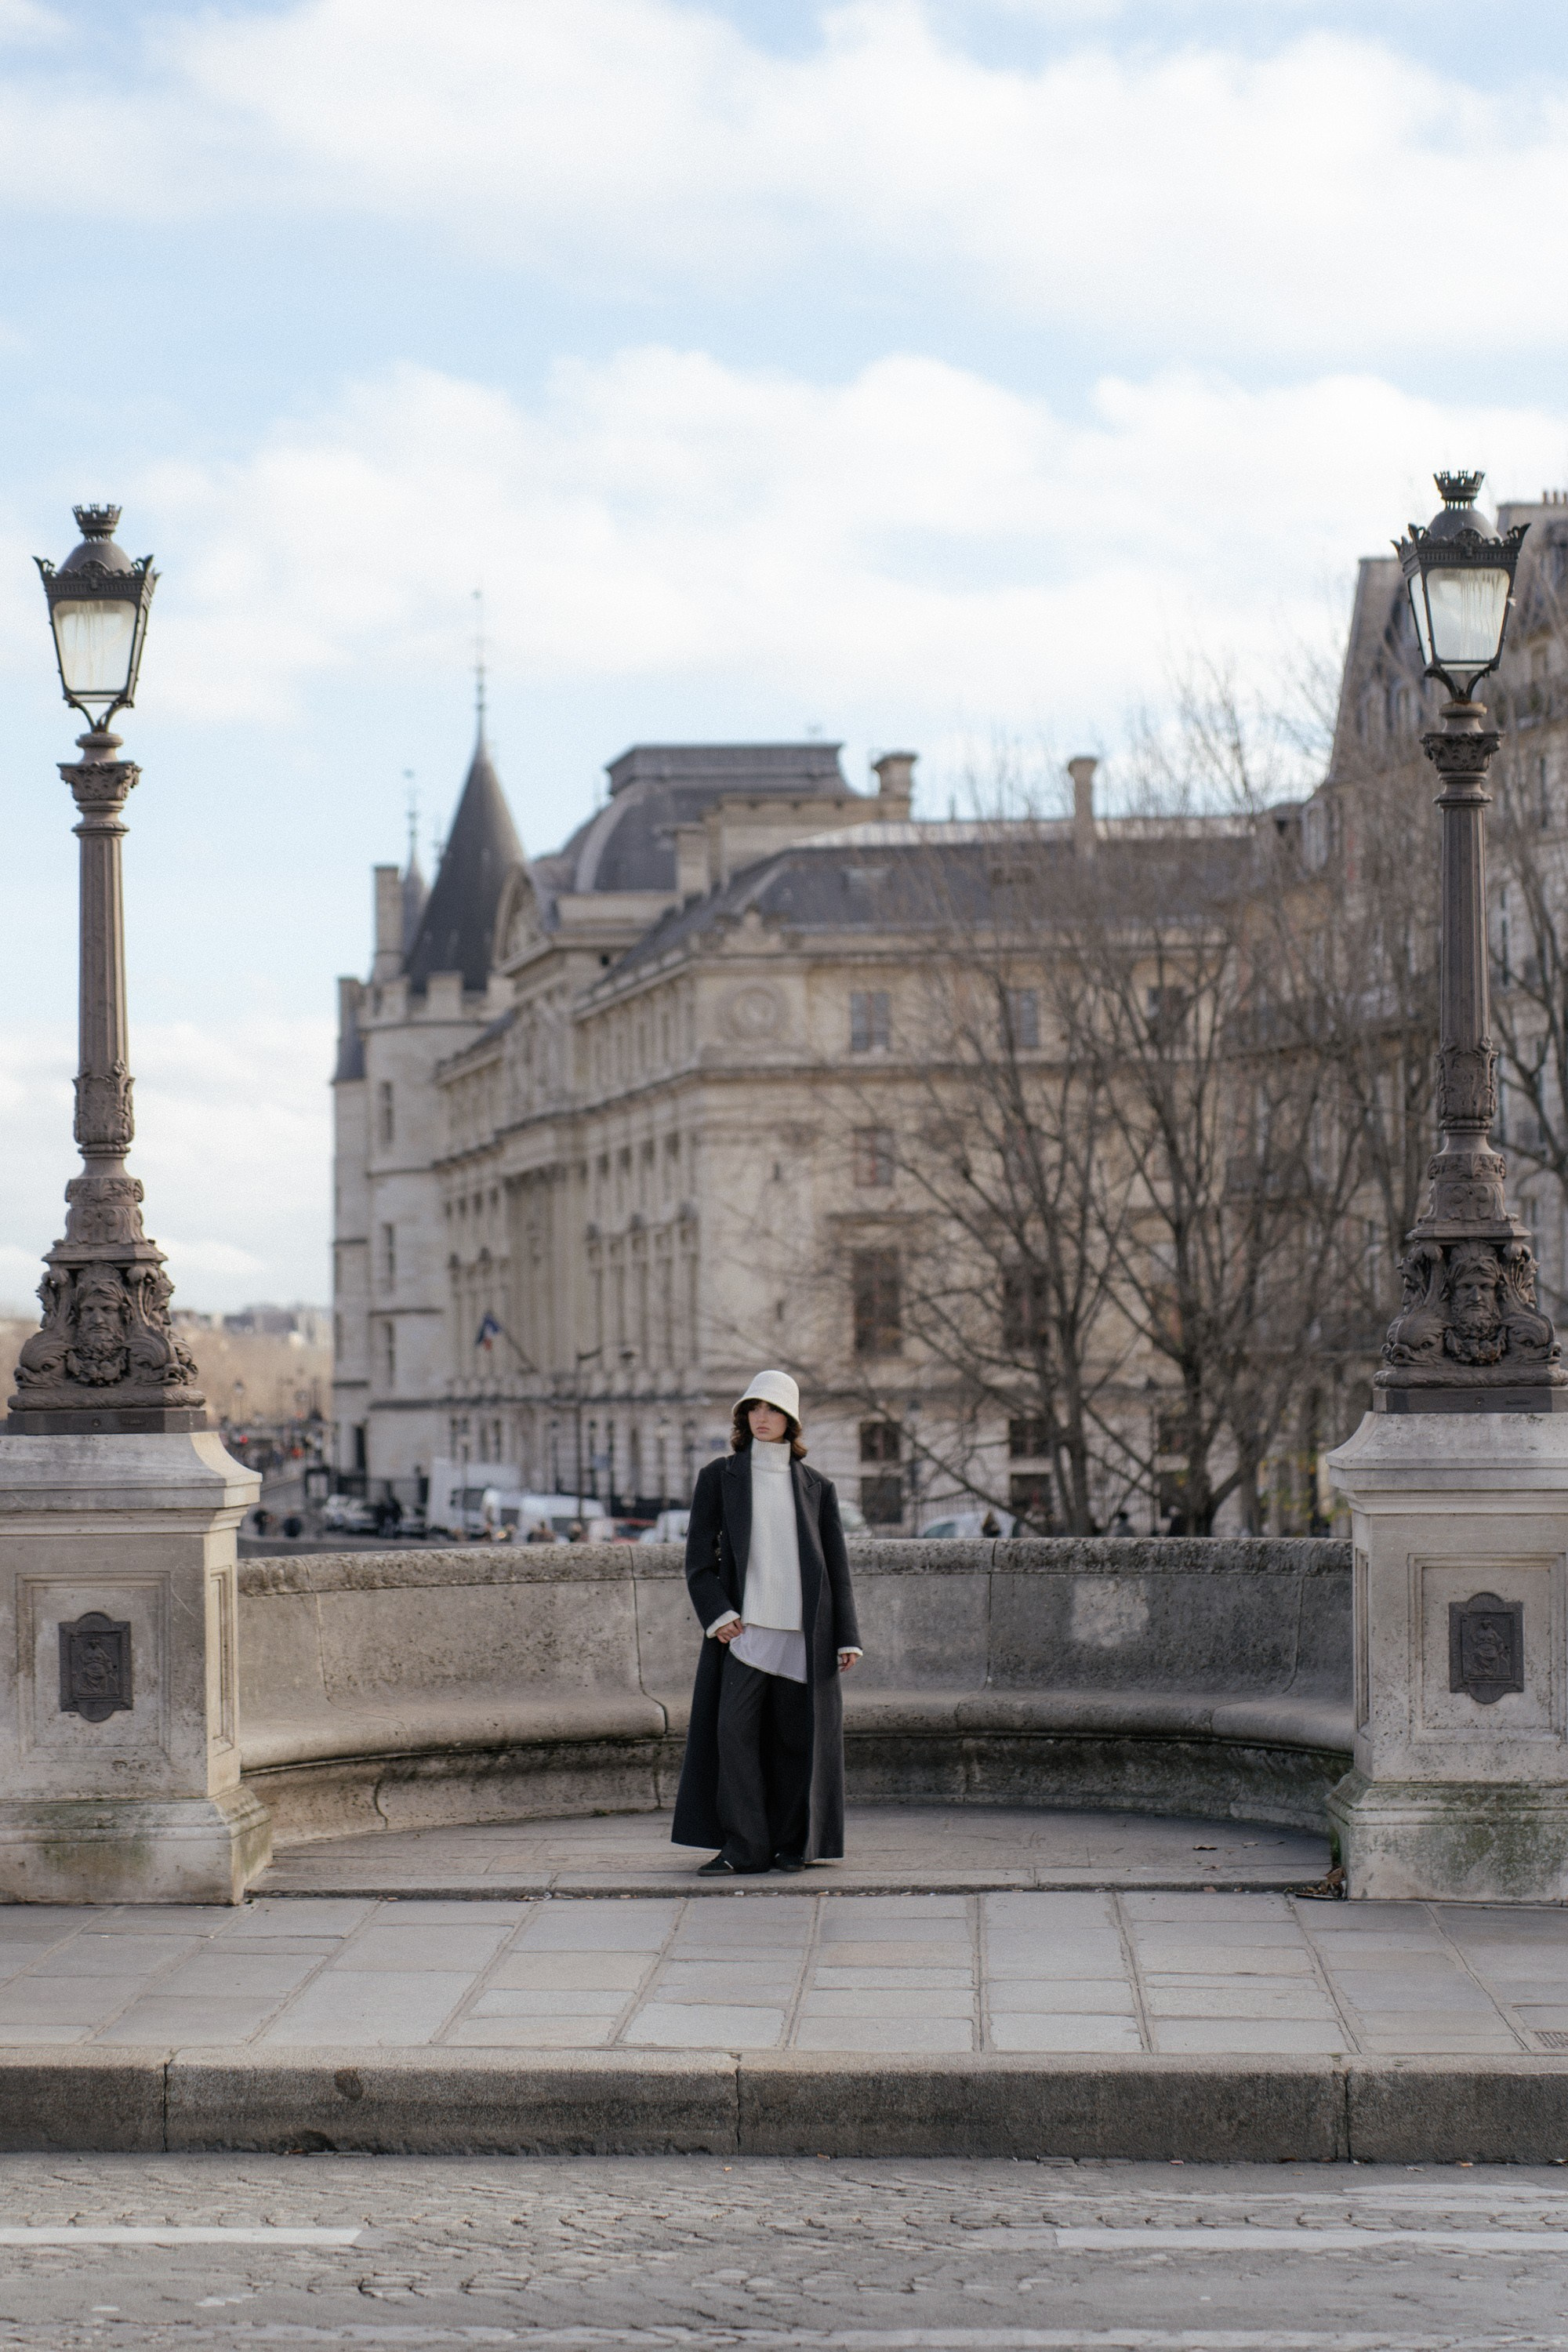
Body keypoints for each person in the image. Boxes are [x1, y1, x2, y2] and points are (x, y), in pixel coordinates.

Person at [672, 1370, 862, 1876]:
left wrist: (847, 1637)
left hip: (805, 1637)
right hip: (746, 1634)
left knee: (797, 1742)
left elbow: (836, 1569)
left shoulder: (818, 1486)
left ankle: (791, 1845)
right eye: (754, 1409)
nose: (762, 1418)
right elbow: (697, 1561)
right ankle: (744, 1848)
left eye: (774, 1409)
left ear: (791, 1421)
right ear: (742, 1417)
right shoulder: (720, 1476)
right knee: (732, 1733)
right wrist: (719, 1614)